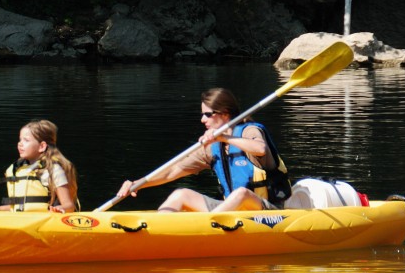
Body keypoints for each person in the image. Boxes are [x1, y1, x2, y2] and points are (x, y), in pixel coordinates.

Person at [117, 88, 290, 212]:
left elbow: (260, 148)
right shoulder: (212, 147)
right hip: (231, 211)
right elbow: (172, 172)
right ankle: (157, 231)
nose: (202, 119)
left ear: (225, 113)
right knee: (181, 194)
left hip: (267, 210)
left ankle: (209, 228)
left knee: (241, 193)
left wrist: (223, 137)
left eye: (208, 114)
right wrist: (138, 184)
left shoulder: (249, 131)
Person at [0, 119, 79, 213]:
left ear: (42, 146)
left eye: (26, 140)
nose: (20, 144)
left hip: (44, 222)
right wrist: (0, 208)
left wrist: (59, 209)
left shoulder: (53, 170)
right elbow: (22, 206)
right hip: (22, 221)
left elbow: (69, 205)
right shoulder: (19, 169)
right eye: (20, 139)